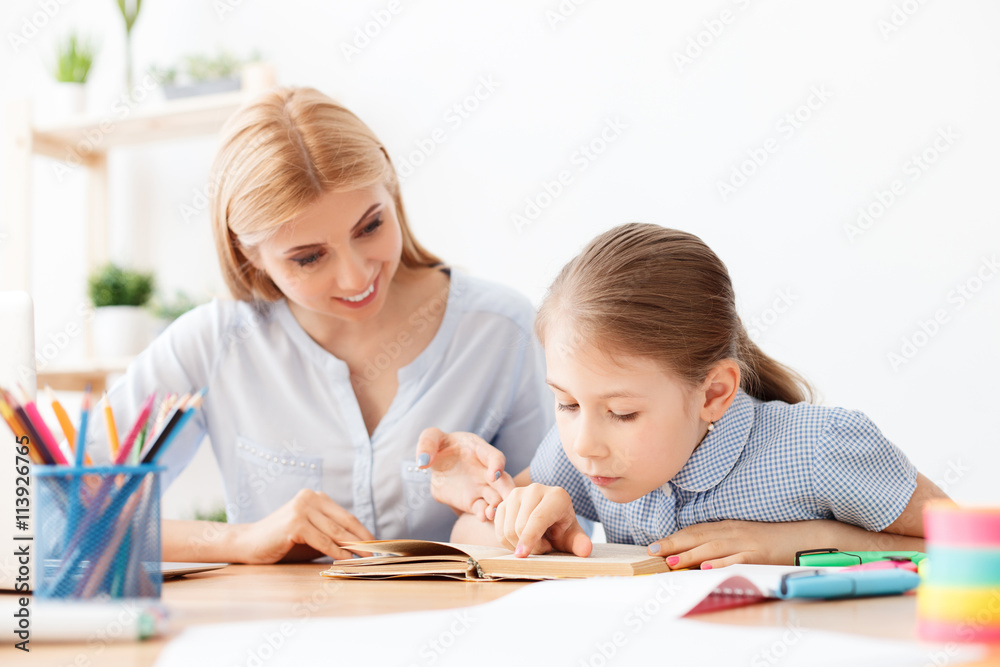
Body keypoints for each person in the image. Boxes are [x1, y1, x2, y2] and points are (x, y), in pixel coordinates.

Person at [87, 87, 552, 563]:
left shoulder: (503, 330)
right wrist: (243, 541)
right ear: (251, 254)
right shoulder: (212, 343)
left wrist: (487, 510)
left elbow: (556, 526)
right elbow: (67, 513)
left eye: (370, 227)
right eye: (308, 258)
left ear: (390, 186)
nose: (356, 276)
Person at [419, 223, 948, 569]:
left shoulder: (821, 449)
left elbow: (976, 549)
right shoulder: (575, 458)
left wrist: (792, 544)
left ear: (714, 394)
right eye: (568, 404)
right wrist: (502, 506)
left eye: (622, 412)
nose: (585, 445)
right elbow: (471, 545)